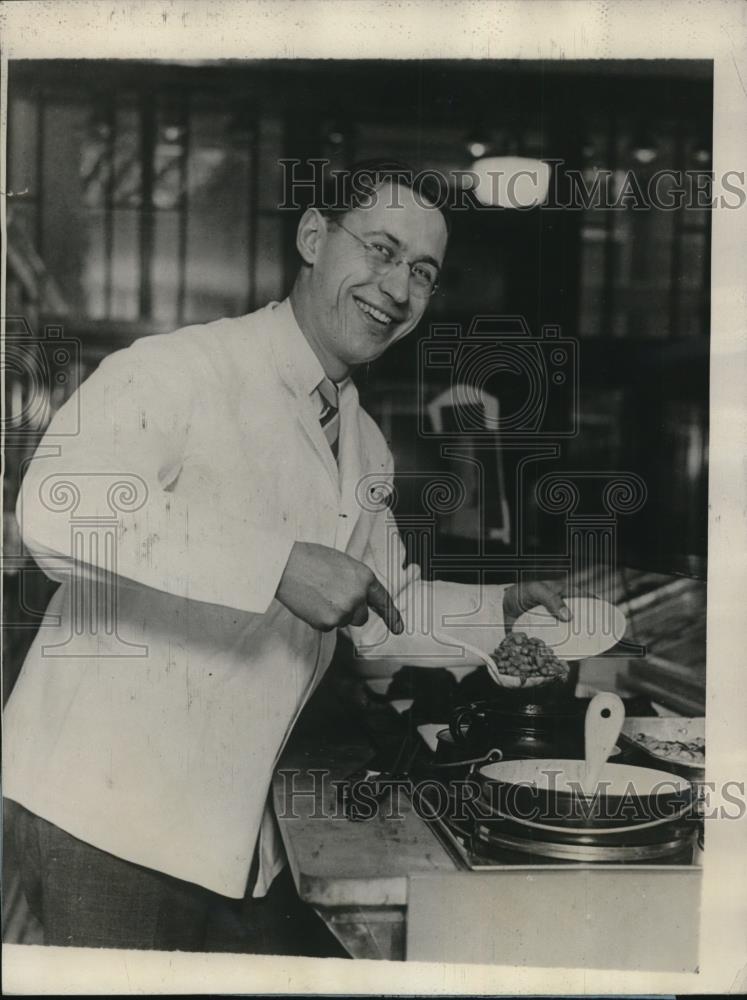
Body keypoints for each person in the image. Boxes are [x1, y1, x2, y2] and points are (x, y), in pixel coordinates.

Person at [4, 160, 572, 952]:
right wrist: (276, 565)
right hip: (106, 819)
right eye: (379, 249)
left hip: (225, 832)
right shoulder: (179, 368)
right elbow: (58, 508)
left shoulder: (363, 443)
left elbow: (380, 608)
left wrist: (493, 611)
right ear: (313, 236)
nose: (397, 289)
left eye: (421, 272)